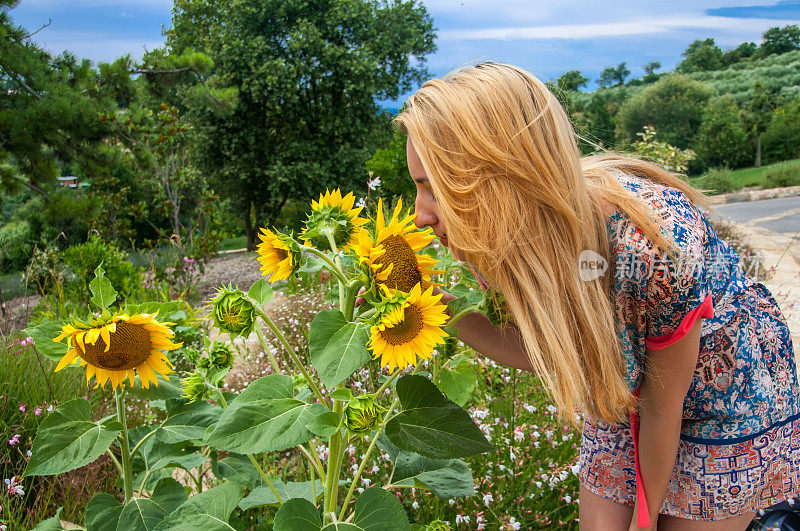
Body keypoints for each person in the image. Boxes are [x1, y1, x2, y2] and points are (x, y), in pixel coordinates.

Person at [394, 62, 799, 530]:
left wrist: (643, 523)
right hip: (625, 393)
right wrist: (423, 301)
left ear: (498, 180)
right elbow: (558, 353)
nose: (421, 215)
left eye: (435, 189)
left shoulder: (654, 246)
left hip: (724, 398)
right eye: (417, 185)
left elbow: (662, 409)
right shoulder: (505, 240)